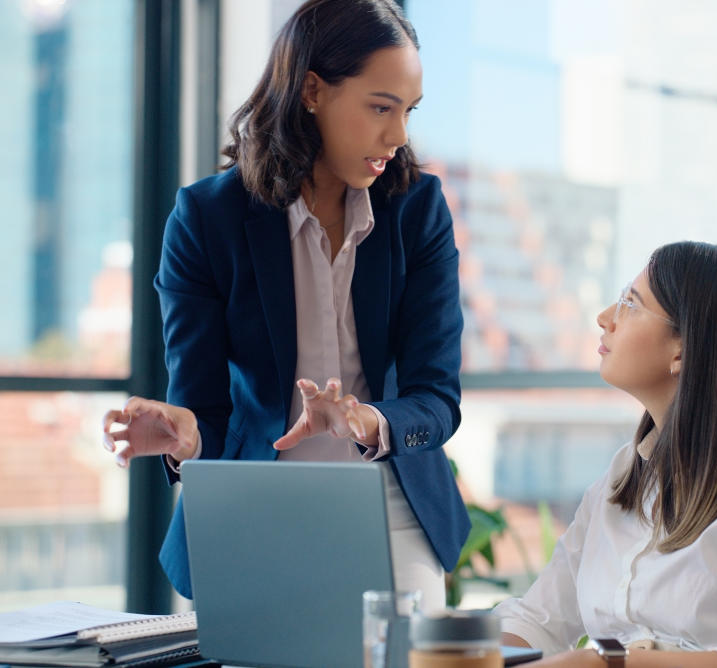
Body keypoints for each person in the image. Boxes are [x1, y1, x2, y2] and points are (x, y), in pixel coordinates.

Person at [100, 0, 469, 611]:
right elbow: (208, 414)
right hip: (251, 509)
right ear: (313, 91)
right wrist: (186, 436)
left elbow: (437, 399)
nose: (399, 135)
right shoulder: (206, 220)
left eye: (407, 110)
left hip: (390, 506)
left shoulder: (418, 209)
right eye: (380, 107)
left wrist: (368, 422)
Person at [495, 242, 717, 667]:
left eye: (631, 303)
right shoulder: (625, 473)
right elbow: (538, 620)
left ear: (683, 350)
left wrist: (605, 663)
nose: (605, 318)